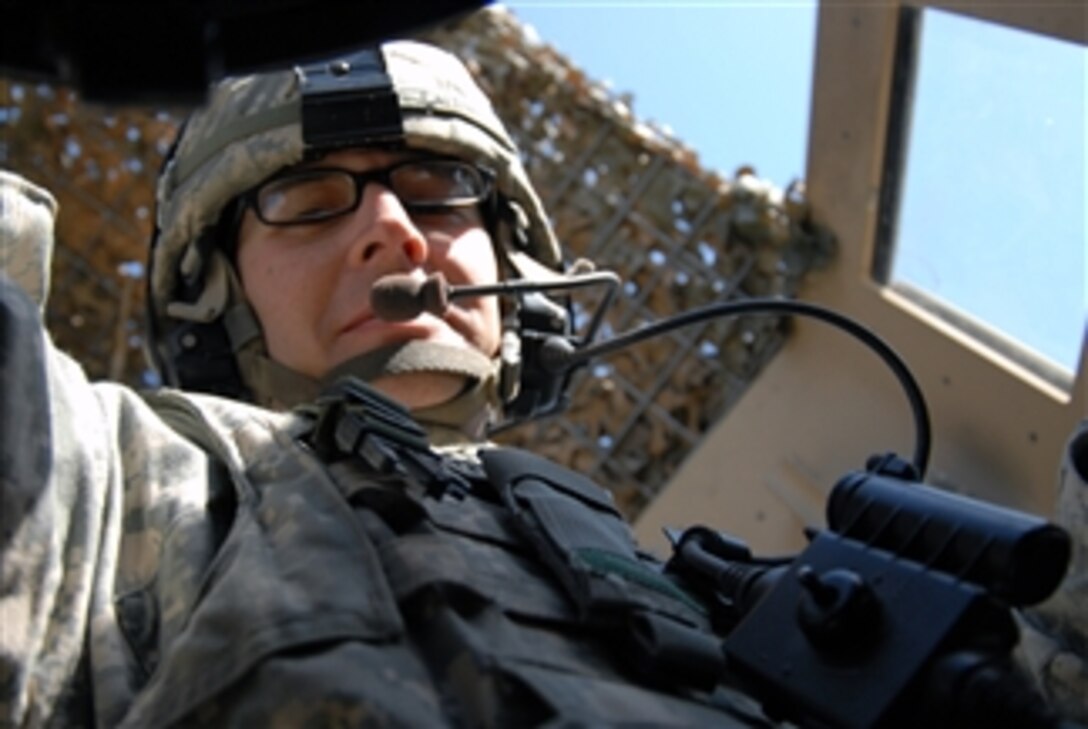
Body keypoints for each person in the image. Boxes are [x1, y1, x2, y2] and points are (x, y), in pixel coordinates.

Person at [1, 36, 1084, 729]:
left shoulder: (706, 598)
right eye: (309, 197)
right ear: (221, 301)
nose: (391, 230)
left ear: (517, 272)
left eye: (436, 187)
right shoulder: (120, 491)